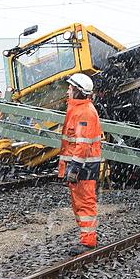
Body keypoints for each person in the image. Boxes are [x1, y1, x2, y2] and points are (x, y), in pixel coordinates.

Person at [59, 73, 102, 251]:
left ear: (77, 91)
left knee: (85, 204)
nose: (68, 90)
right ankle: (86, 237)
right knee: (79, 204)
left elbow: (82, 145)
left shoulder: (84, 112)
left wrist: (75, 167)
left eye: (70, 88)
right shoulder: (77, 109)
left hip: (83, 167)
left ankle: (88, 241)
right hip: (80, 165)